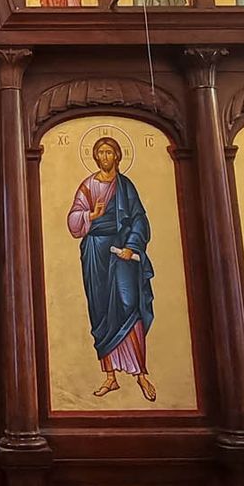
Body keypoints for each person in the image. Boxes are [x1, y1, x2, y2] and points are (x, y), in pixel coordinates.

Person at [66, 136, 157, 401]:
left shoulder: (125, 186)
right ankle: (110, 376)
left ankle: (140, 373)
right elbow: (73, 220)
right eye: (100, 153)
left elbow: (140, 218)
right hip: (96, 252)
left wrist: (132, 245)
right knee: (101, 312)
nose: (104, 157)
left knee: (130, 305)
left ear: (117, 156)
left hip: (122, 253)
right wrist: (90, 216)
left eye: (109, 152)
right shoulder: (88, 185)